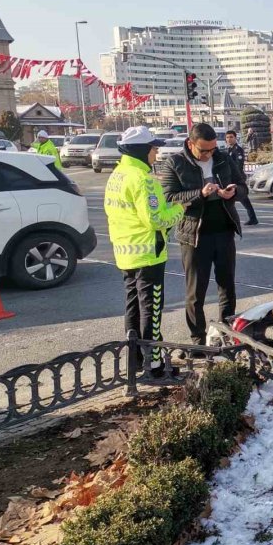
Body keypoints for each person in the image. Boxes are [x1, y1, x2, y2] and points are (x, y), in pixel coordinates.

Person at [159, 123, 248, 346]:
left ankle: (226, 334)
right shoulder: (176, 163)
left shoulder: (222, 158)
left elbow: (243, 185)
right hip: (195, 236)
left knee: (227, 285)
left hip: (224, 230)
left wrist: (234, 192)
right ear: (191, 144)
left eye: (212, 149)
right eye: (203, 150)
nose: (209, 154)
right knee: (195, 293)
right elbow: (169, 197)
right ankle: (197, 340)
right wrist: (200, 194)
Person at [104, 126, 183, 374]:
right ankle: (155, 364)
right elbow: (156, 220)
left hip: (125, 252)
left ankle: (135, 359)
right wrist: (180, 208)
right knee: (152, 309)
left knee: (133, 307)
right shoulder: (144, 180)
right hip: (148, 253)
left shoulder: (117, 175)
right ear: (142, 151)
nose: (156, 154)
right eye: (153, 148)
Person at [225, 130, 258, 226]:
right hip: (231, 178)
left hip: (237, 178)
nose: (229, 139)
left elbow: (238, 165)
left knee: (243, 198)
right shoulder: (229, 150)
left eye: (231, 137)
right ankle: (251, 218)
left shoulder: (237, 150)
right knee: (233, 199)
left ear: (235, 138)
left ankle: (252, 218)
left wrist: (236, 178)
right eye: (227, 137)